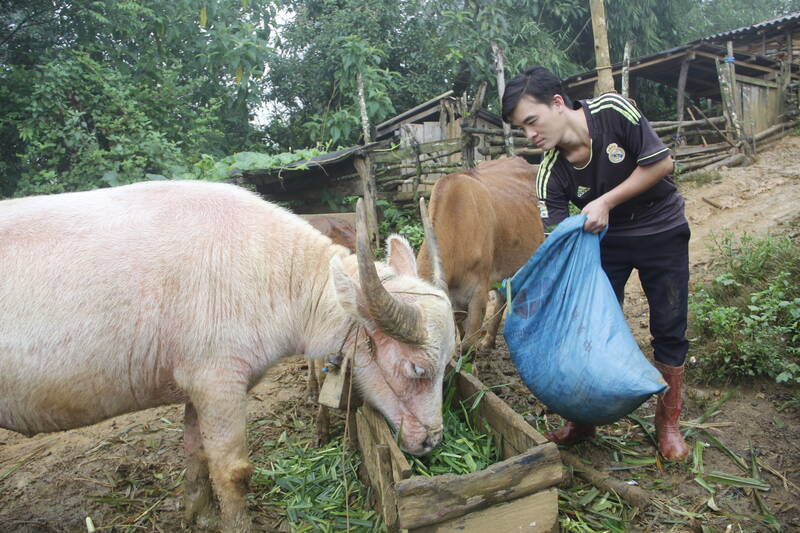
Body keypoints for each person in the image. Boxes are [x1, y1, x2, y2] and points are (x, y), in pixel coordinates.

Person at [501, 65, 690, 461]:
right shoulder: (550, 173)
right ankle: (581, 418)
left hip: (662, 229)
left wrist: (604, 201)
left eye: (532, 122)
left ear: (557, 103)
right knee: (583, 324)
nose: (530, 135)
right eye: (522, 129)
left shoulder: (613, 112)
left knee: (669, 325)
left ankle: (667, 423)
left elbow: (661, 164)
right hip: (606, 244)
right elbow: (558, 244)